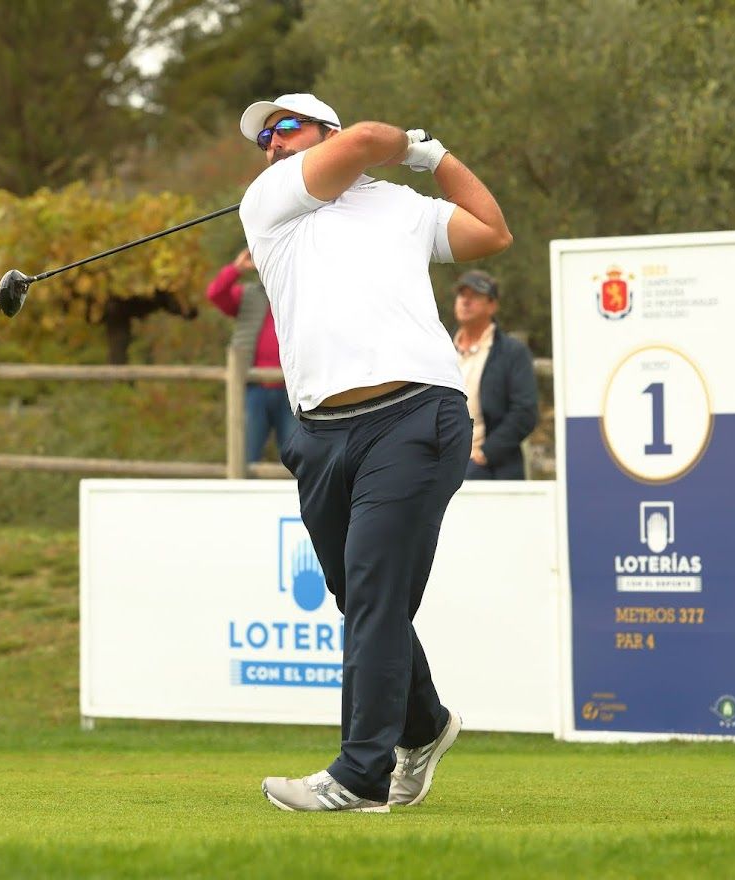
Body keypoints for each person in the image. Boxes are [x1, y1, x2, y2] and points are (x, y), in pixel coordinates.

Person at [238, 94, 512, 812]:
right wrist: (399, 144)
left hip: (416, 415)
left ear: (319, 131)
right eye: (262, 137)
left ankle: (361, 773)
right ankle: (424, 727)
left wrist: (435, 160)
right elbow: (365, 137)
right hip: (321, 433)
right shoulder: (270, 201)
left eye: (284, 128)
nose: (269, 143)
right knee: (361, 598)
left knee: (375, 595)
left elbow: (491, 231)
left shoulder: (402, 207)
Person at [205, 248, 296, 463]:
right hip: (254, 389)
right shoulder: (248, 295)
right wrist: (236, 269)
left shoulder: (297, 297)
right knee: (245, 455)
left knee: (298, 460)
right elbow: (215, 294)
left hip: (292, 393)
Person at [451, 269, 539, 479]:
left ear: (492, 305)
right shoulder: (439, 349)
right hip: (439, 468)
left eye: (475, 296)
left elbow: (524, 412)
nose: (465, 301)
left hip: (488, 469)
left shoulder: (512, 353)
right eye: (462, 295)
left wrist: (485, 454)